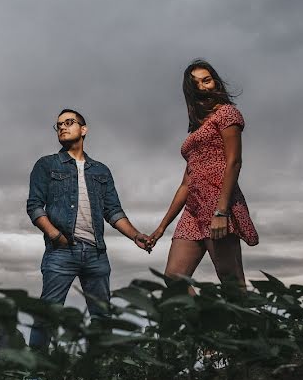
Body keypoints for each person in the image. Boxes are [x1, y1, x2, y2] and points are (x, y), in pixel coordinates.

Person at [26, 108, 150, 350]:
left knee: (102, 317)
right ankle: (35, 376)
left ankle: (98, 373)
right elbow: (34, 206)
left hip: (96, 254)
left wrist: (136, 236)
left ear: (84, 130)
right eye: (58, 124)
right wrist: (55, 235)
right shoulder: (46, 165)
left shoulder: (101, 171)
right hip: (60, 252)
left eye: (69, 122)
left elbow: (113, 212)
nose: (62, 127)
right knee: (48, 313)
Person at [147, 60, 259, 286]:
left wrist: (221, 212)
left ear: (215, 81)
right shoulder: (197, 128)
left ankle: (245, 322)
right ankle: (205, 322)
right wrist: (161, 228)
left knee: (232, 283)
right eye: (196, 84)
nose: (203, 86)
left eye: (206, 80)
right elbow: (185, 184)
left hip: (219, 203)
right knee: (174, 279)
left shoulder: (227, 114)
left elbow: (234, 161)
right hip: (193, 209)